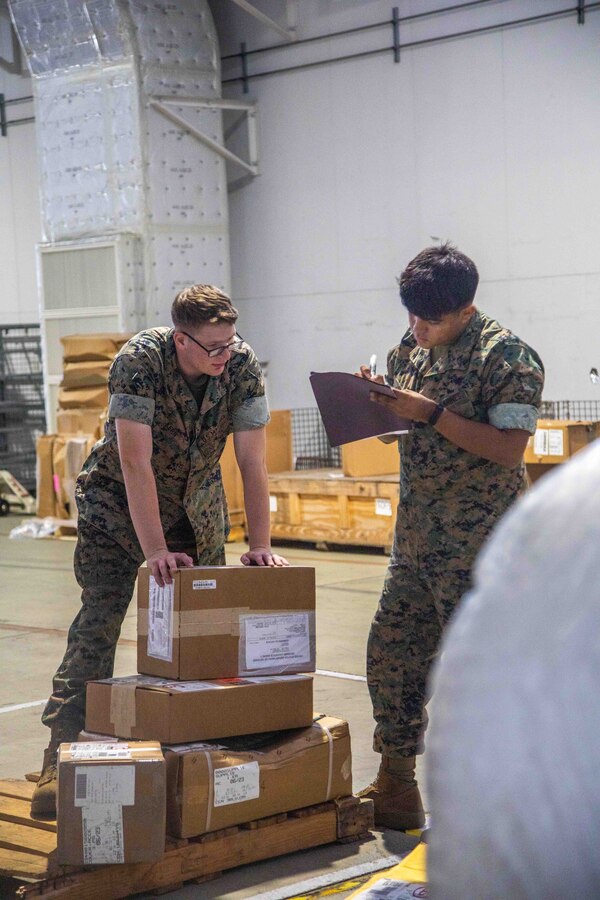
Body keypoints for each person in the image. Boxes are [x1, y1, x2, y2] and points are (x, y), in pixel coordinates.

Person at [31, 284, 288, 818]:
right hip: (117, 510)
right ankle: (60, 751)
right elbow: (133, 463)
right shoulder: (139, 362)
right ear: (181, 340)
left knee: (205, 631)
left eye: (230, 343)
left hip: (195, 510)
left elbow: (252, 462)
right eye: (211, 348)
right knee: (100, 620)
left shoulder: (239, 365)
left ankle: (200, 748)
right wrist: (153, 552)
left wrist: (261, 544)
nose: (224, 356)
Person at [357, 243, 544, 830]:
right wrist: (383, 409)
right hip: (414, 541)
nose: (417, 328)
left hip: (483, 549)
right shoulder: (408, 350)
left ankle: (493, 803)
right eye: (411, 315)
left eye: (429, 319)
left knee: (482, 678)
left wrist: (430, 413)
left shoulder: (508, 357)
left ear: (465, 309)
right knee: (392, 658)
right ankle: (395, 785)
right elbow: (397, 436)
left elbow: (510, 449)